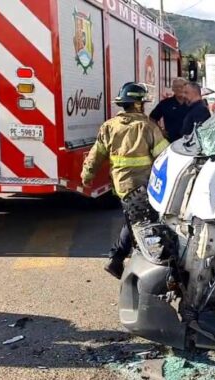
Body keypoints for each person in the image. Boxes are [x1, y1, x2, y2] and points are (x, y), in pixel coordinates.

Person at [81, 82, 169, 279]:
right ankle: (119, 259)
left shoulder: (109, 127)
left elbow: (96, 155)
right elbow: (164, 156)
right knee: (140, 223)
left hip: (121, 185)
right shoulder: (146, 126)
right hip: (142, 185)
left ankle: (119, 258)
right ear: (139, 104)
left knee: (132, 220)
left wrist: (87, 175)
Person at [149, 78, 189, 142]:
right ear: (172, 89)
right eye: (176, 87)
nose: (179, 89)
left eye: (181, 86)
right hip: (171, 141)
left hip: (190, 141)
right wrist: (160, 130)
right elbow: (152, 119)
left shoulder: (191, 103)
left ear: (186, 88)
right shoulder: (165, 103)